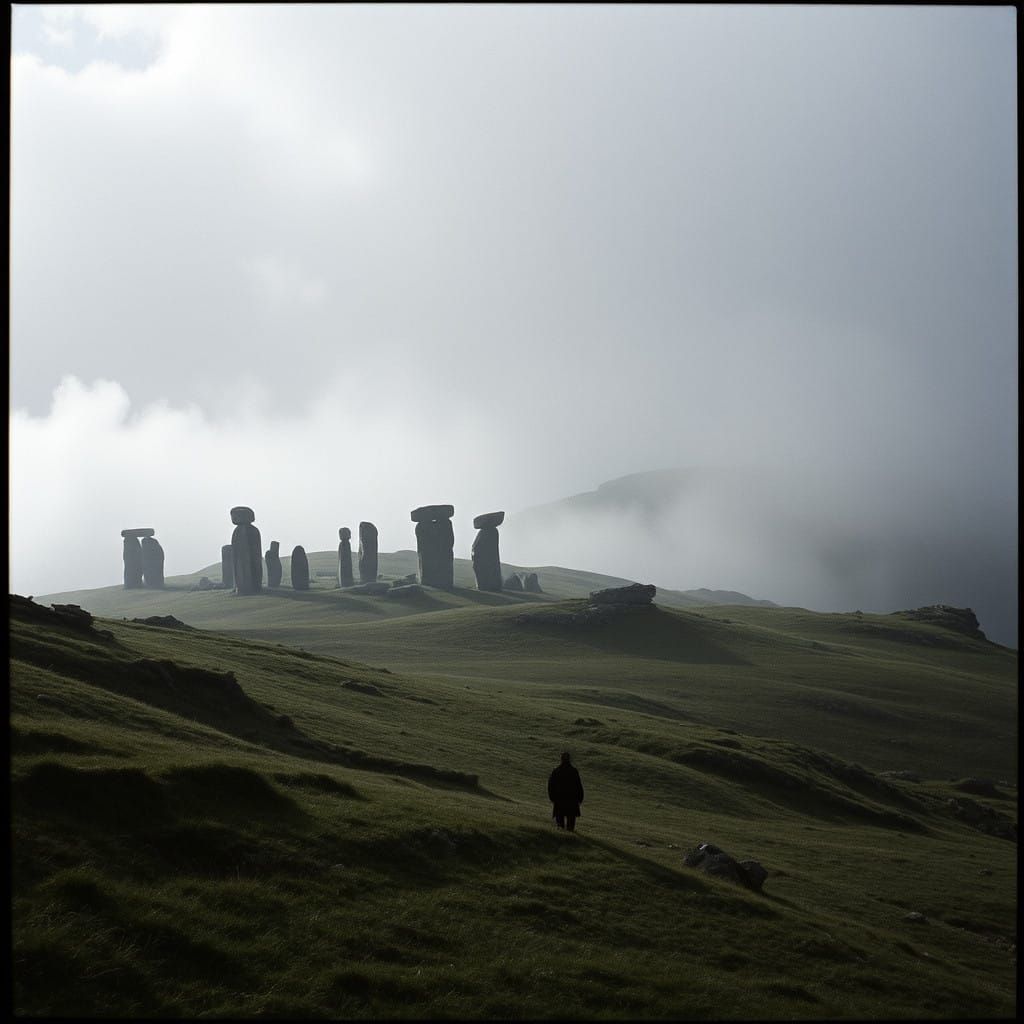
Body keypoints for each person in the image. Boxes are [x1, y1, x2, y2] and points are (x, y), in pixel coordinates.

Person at [548, 751, 584, 831]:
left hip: (559, 799)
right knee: (571, 822)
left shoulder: (556, 771)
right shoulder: (574, 771)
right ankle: (570, 836)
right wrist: (580, 797)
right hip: (572, 800)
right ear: (569, 759)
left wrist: (552, 797)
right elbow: (578, 785)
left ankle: (561, 835)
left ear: (561, 759)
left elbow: (551, 786)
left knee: (560, 821)